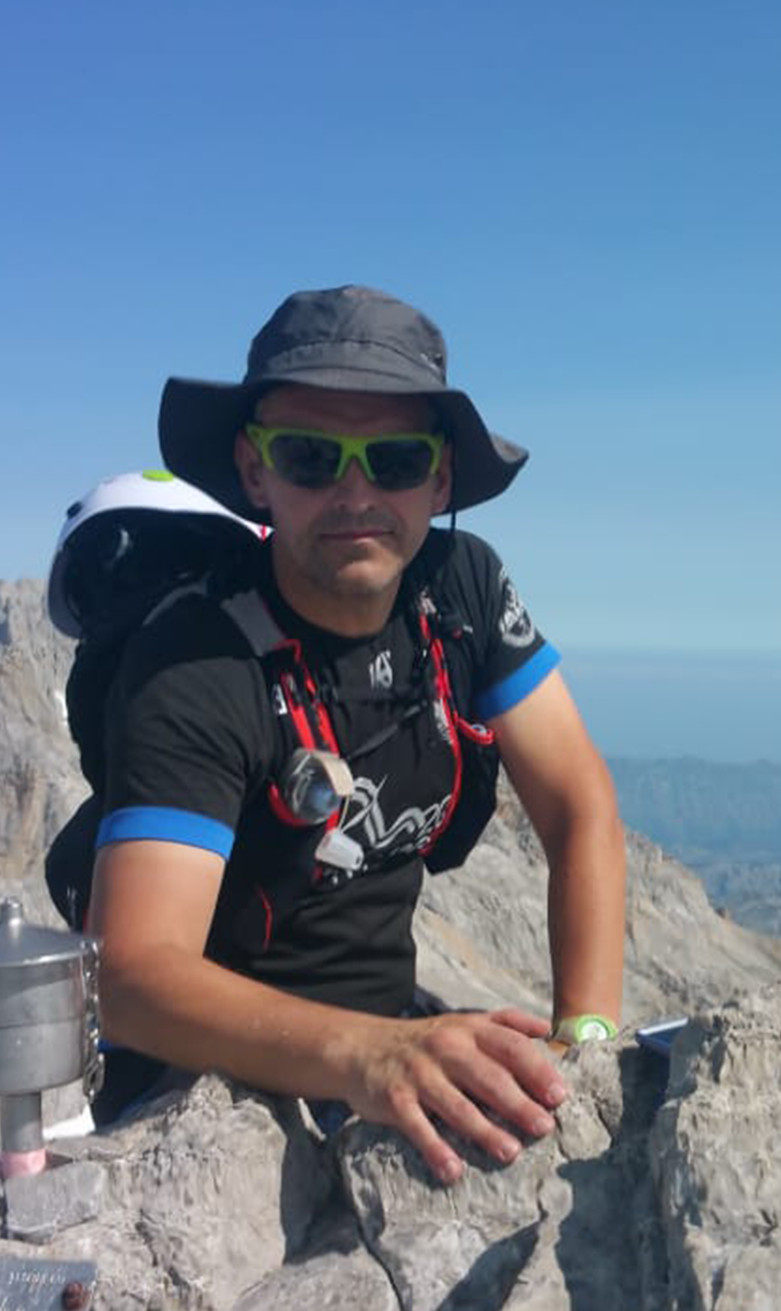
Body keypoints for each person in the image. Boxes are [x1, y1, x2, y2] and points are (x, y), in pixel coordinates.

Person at [85, 285, 628, 1185]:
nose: (355, 492)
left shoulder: (462, 591)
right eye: (309, 456)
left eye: (396, 459)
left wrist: (590, 1037)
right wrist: (370, 1056)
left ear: (441, 477)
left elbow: (579, 806)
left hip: (387, 1044)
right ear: (254, 472)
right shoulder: (195, 661)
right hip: (201, 1097)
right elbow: (132, 977)